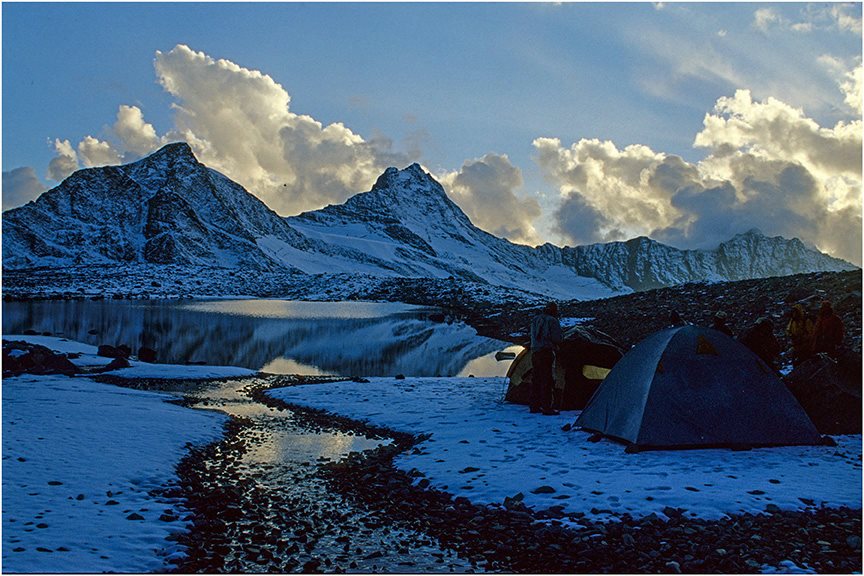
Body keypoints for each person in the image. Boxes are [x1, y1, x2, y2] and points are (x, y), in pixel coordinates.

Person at [530, 301, 563, 416]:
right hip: (546, 351)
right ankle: (547, 407)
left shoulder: (535, 319)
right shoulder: (552, 321)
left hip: (534, 352)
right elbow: (557, 338)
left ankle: (534, 406)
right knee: (547, 379)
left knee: (536, 379)